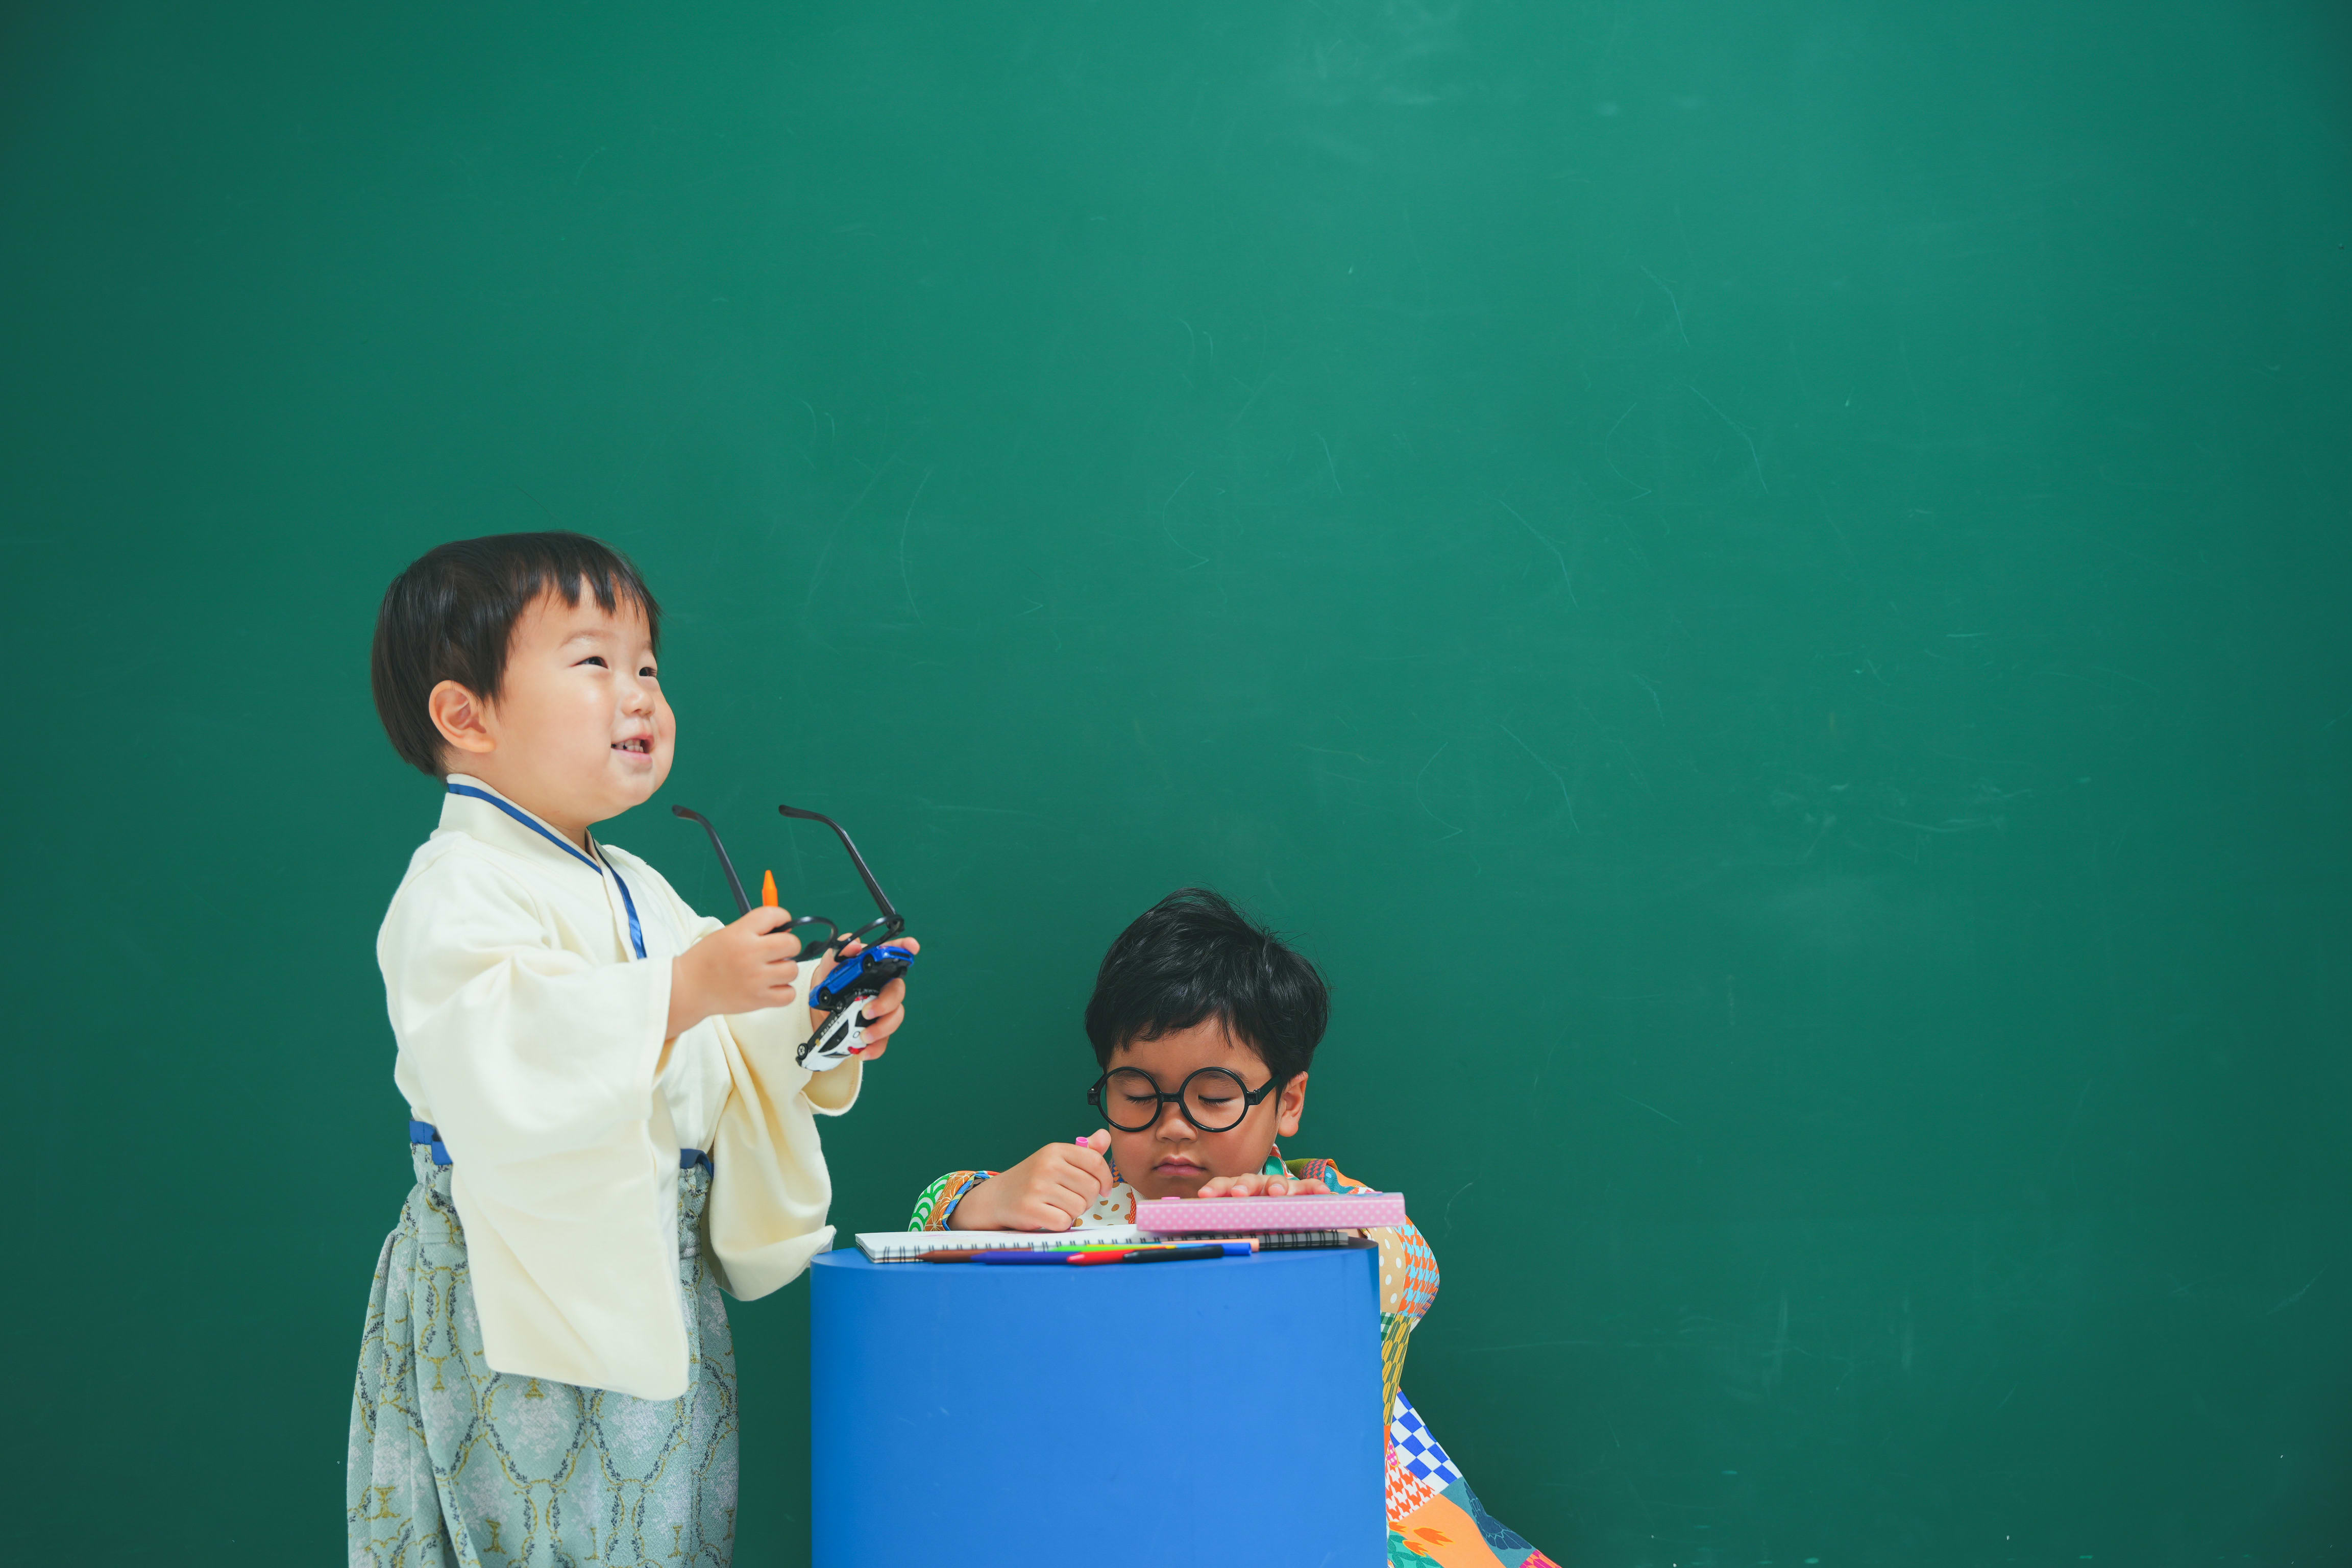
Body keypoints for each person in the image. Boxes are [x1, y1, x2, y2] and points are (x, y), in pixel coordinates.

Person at [348, 532, 916, 1566]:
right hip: (524, 1281)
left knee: (664, 1534)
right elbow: (507, 1047)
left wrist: (819, 1017)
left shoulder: (634, 881)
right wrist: (687, 988)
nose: (640, 694)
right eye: (593, 663)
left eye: (647, 665)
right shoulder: (455, 886)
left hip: (650, 1261)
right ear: (464, 714)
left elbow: (725, 1045)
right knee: (544, 1534)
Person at [906, 889, 1555, 1568]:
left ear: (1289, 1102)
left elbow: (1412, 1270)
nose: (1174, 1125)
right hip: (1122, 1496)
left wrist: (1306, 1229)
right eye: (1136, 1093)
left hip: (1332, 1502)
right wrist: (977, 1202)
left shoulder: (1315, 1197)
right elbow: (932, 1218)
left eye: (1214, 1097)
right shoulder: (1081, 1202)